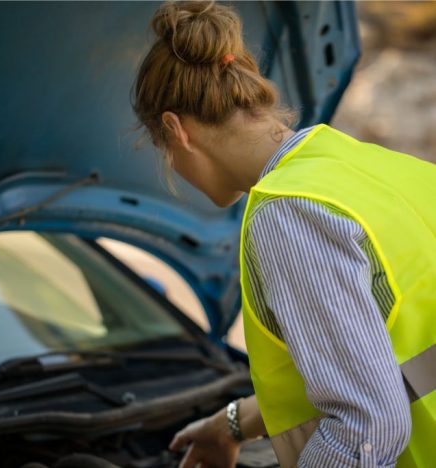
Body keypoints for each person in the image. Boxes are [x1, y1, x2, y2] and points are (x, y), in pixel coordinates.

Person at [132, 2, 436, 467]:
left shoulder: (286, 212)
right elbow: (387, 361)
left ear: (176, 130)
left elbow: (367, 426)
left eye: (162, 150)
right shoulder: (367, 166)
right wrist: (229, 424)